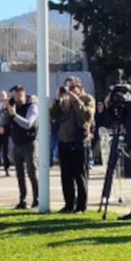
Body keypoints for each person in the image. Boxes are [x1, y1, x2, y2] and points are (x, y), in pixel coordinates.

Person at [49, 76, 96, 213]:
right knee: (66, 176)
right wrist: (57, 99)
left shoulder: (88, 99)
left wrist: (76, 100)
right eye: (67, 87)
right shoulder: (64, 102)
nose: (69, 91)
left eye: (72, 87)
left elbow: (87, 116)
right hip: (64, 141)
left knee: (80, 175)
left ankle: (81, 206)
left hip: (79, 141)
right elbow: (53, 115)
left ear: (79, 87)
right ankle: (69, 204)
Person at [0, 85, 39, 209]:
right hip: (16, 144)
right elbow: (1, 122)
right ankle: (22, 200)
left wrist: (14, 114)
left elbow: (28, 124)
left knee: (32, 172)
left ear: (21, 94)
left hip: (29, 143)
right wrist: (6, 111)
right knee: (19, 174)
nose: (12, 99)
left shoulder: (31, 106)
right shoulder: (13, 107)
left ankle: (37, 199)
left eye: (13, 96)